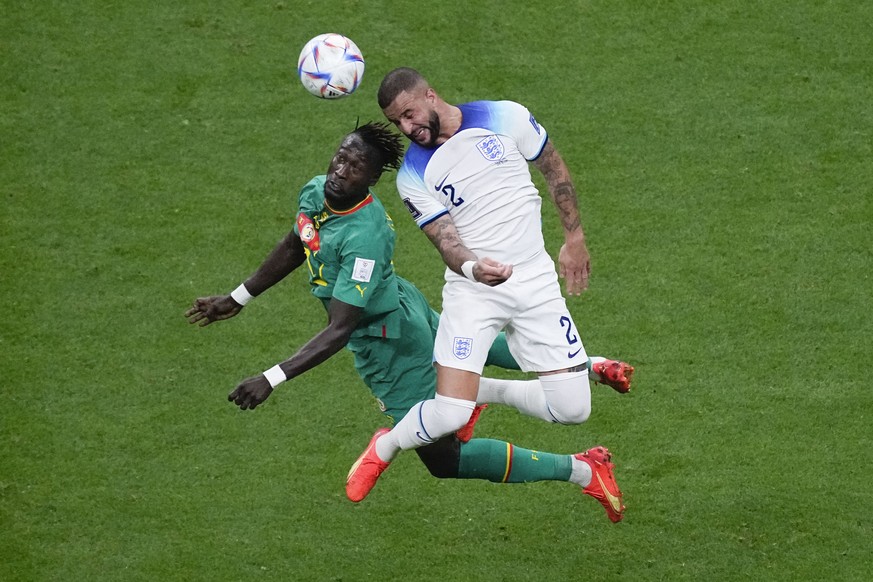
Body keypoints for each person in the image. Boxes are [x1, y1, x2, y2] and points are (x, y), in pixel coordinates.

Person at [186, 122, 632, 520]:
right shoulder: (317, 190)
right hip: (404, 305)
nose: (341, 170)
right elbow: (297, 240)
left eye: (355, 166)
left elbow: (341, 329)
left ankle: (582, 468)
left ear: (372, 180)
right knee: (474, 353)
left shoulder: (363, 238)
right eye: (341, 157)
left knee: (445, 460)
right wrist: (238, 297)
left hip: (389, 341)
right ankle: (587, 365)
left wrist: (270, 378)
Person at [346, 68, 628, 522]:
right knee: (448, 416)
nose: (407, 128)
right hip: (473, 293)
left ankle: (486, 389)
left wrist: (574, 238)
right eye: (398, 122)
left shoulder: (505, 116)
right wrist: (474, 267)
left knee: (573, 409)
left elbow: (553, 167)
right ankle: (386, 444)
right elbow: (445, 239)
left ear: (431, 96)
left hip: (536, 281)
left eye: (410, 114)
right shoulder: (413, 176)